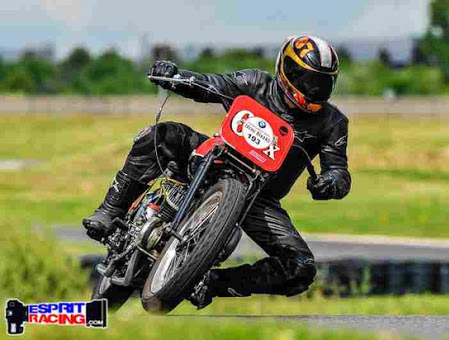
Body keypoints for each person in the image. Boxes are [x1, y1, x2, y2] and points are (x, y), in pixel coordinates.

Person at [83, 35, 351, 309]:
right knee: (163, 135)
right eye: (307, 80)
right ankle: (110, 211)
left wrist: (329, 182)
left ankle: (212, 282)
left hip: (259, 197)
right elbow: (211, 85)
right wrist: (175, 76)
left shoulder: (333, 122)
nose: (314, 90)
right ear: (286, 71)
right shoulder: (255, 83)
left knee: (301, 268)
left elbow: (339, 172)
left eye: (323, 83)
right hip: (215, 156)